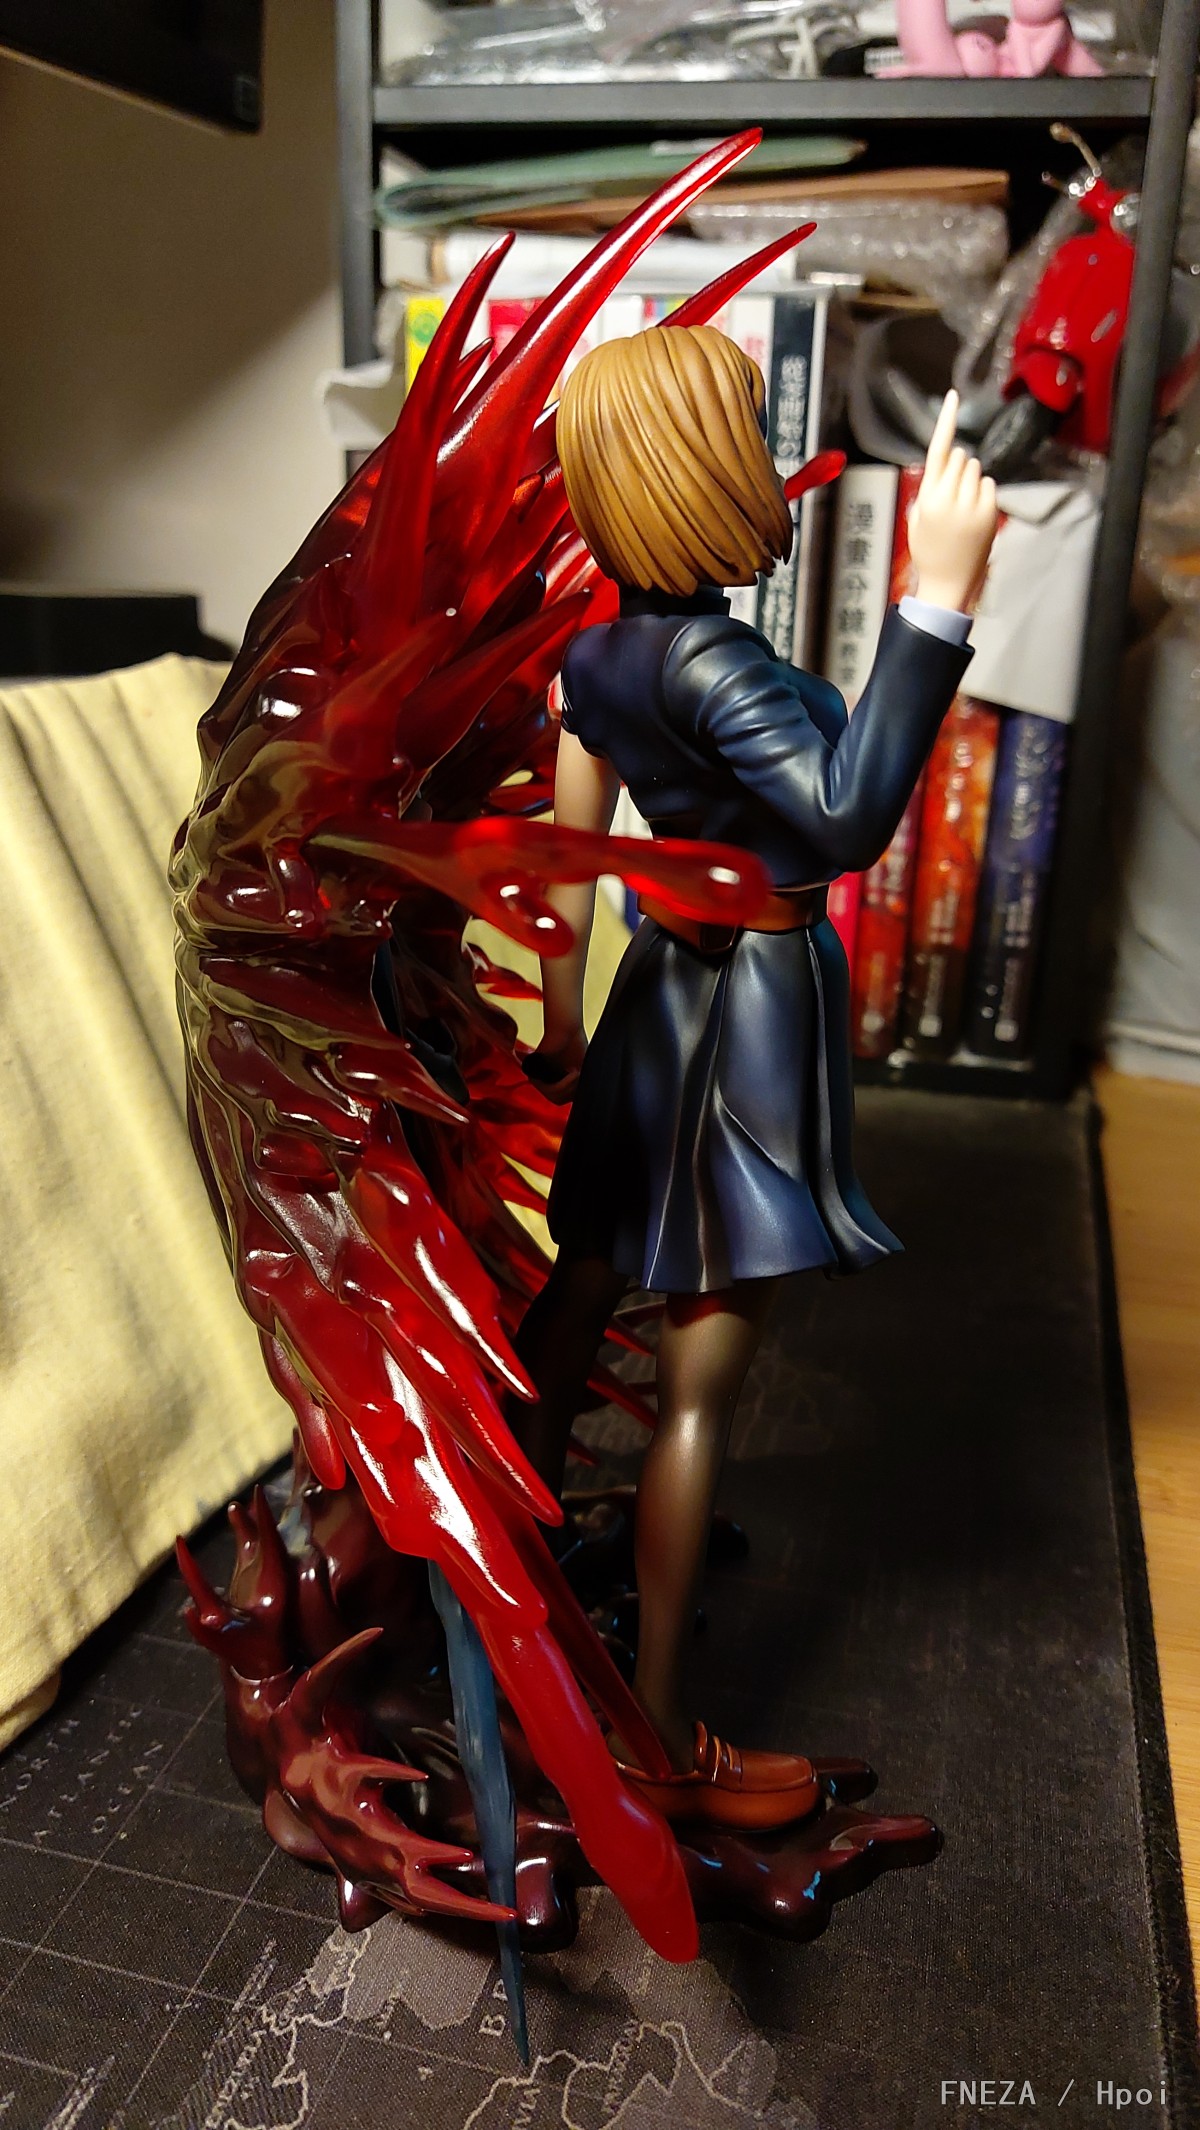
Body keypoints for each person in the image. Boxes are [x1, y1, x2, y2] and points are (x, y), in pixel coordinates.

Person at [510, 326, 997, 1830]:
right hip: (749, 1013)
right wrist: (936, 600)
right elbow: (844, 821)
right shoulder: (714, 661)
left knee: (584, 1289)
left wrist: (562, 1011)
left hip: (658, 994)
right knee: (698, 1387)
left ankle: (498, 1588)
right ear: (701, 471)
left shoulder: (600, 652)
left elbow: (572, 840)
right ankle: (655, 1734)